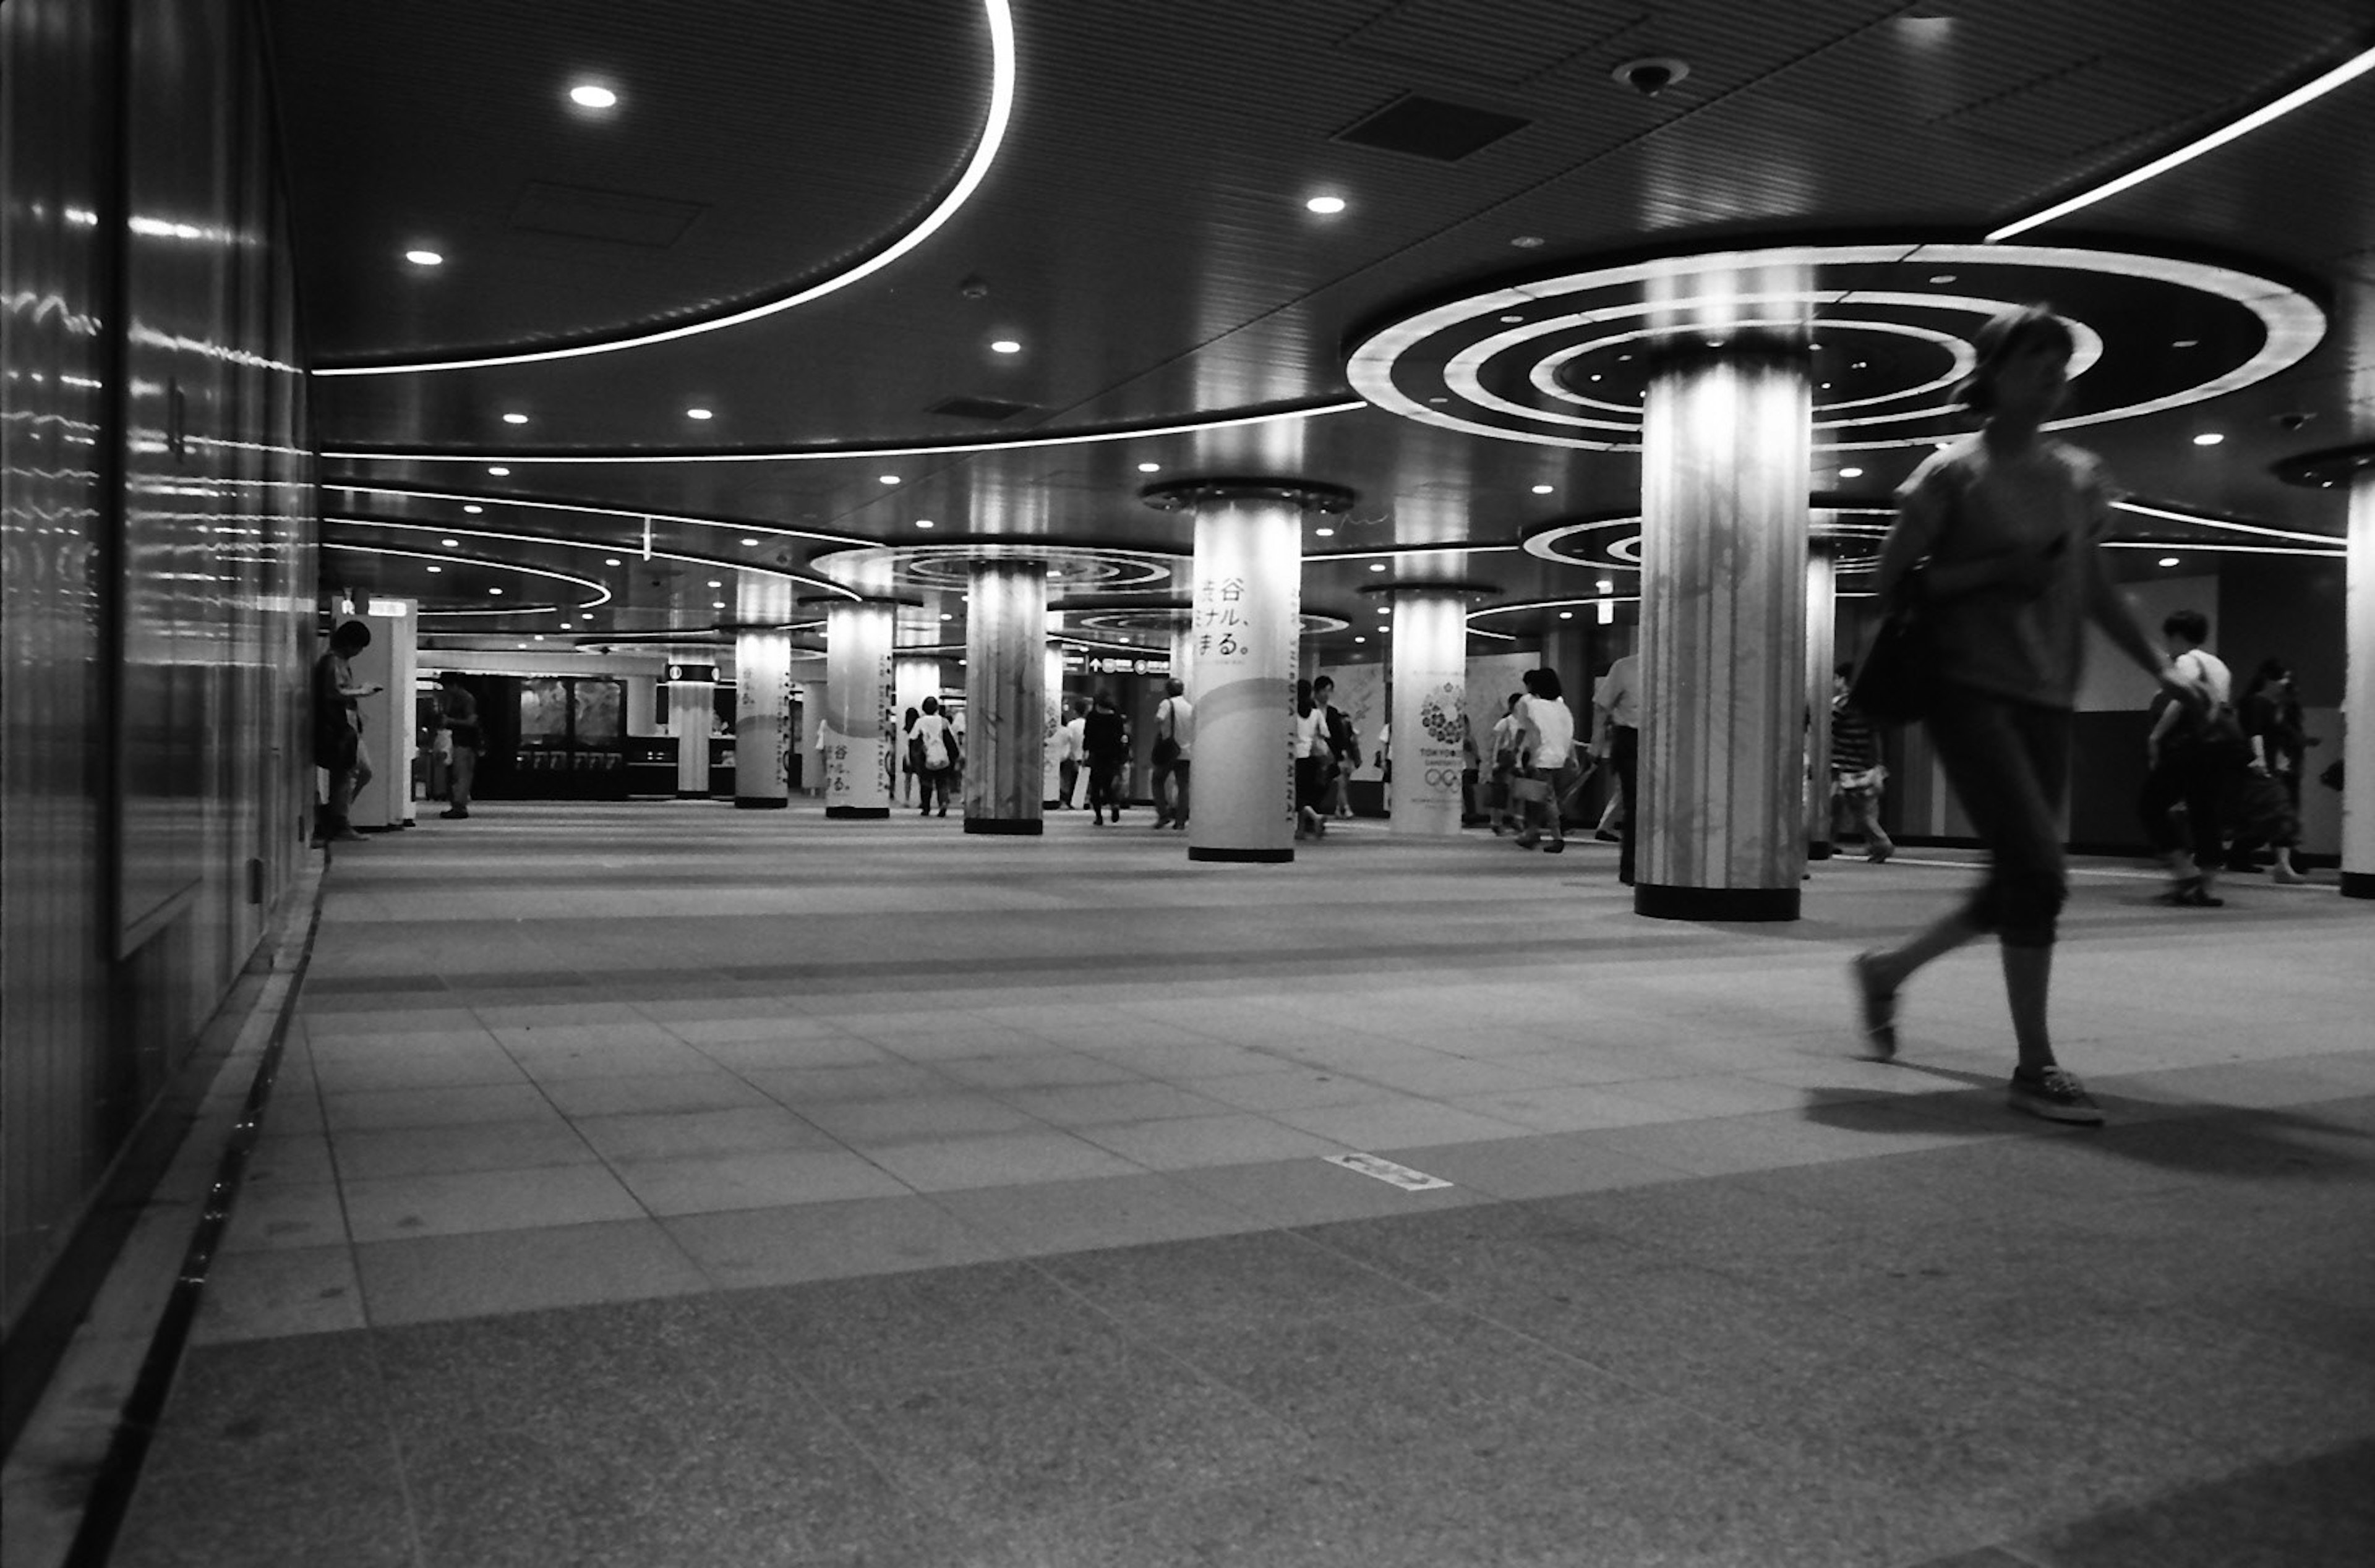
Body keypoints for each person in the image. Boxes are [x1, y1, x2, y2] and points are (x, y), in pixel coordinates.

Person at [1848, 304, 2200, 1127]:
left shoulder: (2080, 475)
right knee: (2040, 871)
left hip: (2050, 693)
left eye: (2061, 362)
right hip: (1969, 691)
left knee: (2019, 878)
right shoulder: (1951, 475)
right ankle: (2035, 1067)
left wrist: (2160, 668)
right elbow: (1890, 586)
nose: (2052, 374)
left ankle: (1887, 971)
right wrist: (1995, 569)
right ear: (1993, 375)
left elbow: (2098, 590)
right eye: (2035, 359)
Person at [2138, 609, 2235, 906]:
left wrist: (2157, 736)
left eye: (2169, 638)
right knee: (2205, 812)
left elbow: (2184, 696)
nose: (2168, 646)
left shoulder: (2187, 661)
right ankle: (2206, 887)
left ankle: (2185, 873)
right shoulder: (2220, 666)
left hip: (2190, 746)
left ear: (2178, 636)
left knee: (2150, 805)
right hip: (2220, 747)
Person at [2235, 658, 2311, 883]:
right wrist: (2259, 758)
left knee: (2280, 815)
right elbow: (2254, 732)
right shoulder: (2256, 703)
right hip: (2257, 769)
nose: (2285, 682)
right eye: (2282, 678)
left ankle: (2283, 866)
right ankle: (2283, 867)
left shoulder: (2269, 705)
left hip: (2267, 769)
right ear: (2268, 679)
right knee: (2278, 814)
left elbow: (2281, 734)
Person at [312, 620, 380, 844]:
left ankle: (335, 816)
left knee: (359, 771)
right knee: (348, 772)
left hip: (348, 727)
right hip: (339, 727)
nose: (359, 652)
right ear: (349, 643)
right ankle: (337, 820)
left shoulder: (340, 662)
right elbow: (334, 693)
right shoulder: (332, 662)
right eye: (358, 647)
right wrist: (362, 691)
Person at [1828, 662, 1893, 863]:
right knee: (1866, 812)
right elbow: (1875, 736)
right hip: (1865, 767)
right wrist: (1878, 764)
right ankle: (1872, 845)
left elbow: (1827, 731)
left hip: (1842, 767)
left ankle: (1882, 845)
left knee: (1836, 811)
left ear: (1843, 680)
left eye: (1835, 678)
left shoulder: (1841, 704)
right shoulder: (1869, 704)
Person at [1512, 668, 1581, 853]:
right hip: (1561, 756)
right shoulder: (1561, 705)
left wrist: (1517, 754)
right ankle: (1532, 833)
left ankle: (1556, 837)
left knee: (1544, 798)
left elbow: (1524, 730)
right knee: (1538, 797)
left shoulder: (1528, 702)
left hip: (1541, 756)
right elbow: (1568, 733)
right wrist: (1573, 757)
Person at [1591, 652, 1641, 882]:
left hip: (1666, 739)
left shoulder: (1676, 666)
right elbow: (1602, 706)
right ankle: (1631, 870)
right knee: (1635, 804)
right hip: (1630, 738)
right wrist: (1597, 742)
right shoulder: (1625, 667)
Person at [1293, 678, 1338, 840]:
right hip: (1313, 758)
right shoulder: (1317, 713)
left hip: (1296, 757)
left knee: (1297, 796)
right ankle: (1301, 829)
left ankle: (1314, 818)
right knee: (1306, 793)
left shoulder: (1292, 713)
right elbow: (1326, 734)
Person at [1311, 675, 1358, 818]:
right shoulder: (1308, 708)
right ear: (1317, 691)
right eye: (1325, 690)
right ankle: (1312, 813)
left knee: (1327, 783)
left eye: (1330, 691)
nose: (1327, 694)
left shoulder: (1333, 712)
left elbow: (1339, 735)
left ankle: (1318, 811)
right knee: (1313, 784)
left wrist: (1342, 752)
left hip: (1330, 755)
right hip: (1311, 753)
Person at [1150, 678, 1193, 830]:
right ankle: (1181, 821)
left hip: (1170, 751)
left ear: (1168, 690)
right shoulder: (1190, 707)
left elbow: (1158, 719)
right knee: (1184, 787)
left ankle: (1163, 815)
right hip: (1187, 752)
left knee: (1157, 781)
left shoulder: (1167, 704)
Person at [1082, 689, 1129, 824]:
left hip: (1097, 754)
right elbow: (1121, 737)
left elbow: (1088, 736)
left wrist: (1085, 752)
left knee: (1096, 786)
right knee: (1108, 783)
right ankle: (1114, 803)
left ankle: (1099, 817)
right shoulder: (1116, 718)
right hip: (1112, 755)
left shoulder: (1092, 716)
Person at [437, 674, 479, 820]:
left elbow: (471, 721)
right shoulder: (456, 698)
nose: (445, 690)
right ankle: (458, 805)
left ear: (454, 685)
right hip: (459, 741)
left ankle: (460, 806)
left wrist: (450, 721)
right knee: (458, 775)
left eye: (446, 686)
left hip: (465, 742)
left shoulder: (466, 699)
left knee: (462, 775)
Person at [911, 696, 958, 817]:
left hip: (926, 757)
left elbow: (913, 739)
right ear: (936, 708)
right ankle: (943, 804)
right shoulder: (944, 721)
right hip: (942, 756)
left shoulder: (920, 722)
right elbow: (950, 740)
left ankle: (926, 807)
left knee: (926, 783)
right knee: (942, 782)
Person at [1485, 692, 1523, 836]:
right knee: (1500, 792)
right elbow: (1496, 744)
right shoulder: (1506, 722)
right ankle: (1496, 822)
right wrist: (1494, 762)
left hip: (1519, 761)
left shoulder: (1525, 723)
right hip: (1505, 761)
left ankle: (1518, 820)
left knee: (1520, 792)